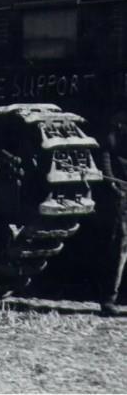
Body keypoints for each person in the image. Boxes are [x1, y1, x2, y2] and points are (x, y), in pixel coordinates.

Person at [98, 112, 127, 316]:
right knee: (120, 244)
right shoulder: (118, 124)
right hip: (122, 192)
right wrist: (113, 184)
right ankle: (109, 298)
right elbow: (106, 154)